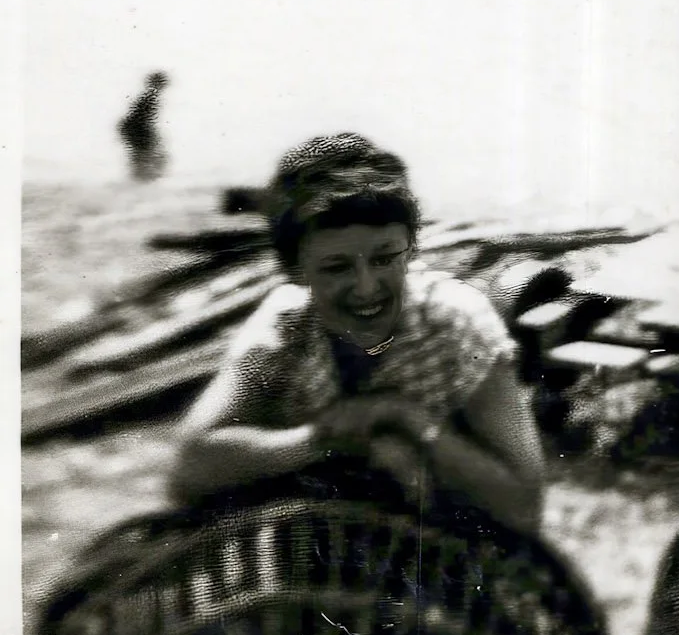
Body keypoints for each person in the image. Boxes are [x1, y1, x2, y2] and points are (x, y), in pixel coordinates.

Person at [169, 134, 546, 532]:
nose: (367, 288)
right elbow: (188, 470)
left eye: (385, 259)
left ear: (412, 248)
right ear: (297, 272)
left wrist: (407, 419)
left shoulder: (457, 324)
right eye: (336, 267)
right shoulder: (287, 324)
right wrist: (336, 442)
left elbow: (524, 507)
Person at [119, 72, 169, 182]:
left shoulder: (149, 96)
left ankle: (142, 178)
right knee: (146, 155)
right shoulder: (150, 96)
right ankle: (143, 179)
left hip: (136, 128)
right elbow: (139, 116)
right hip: (137, 128)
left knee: (146, 155)